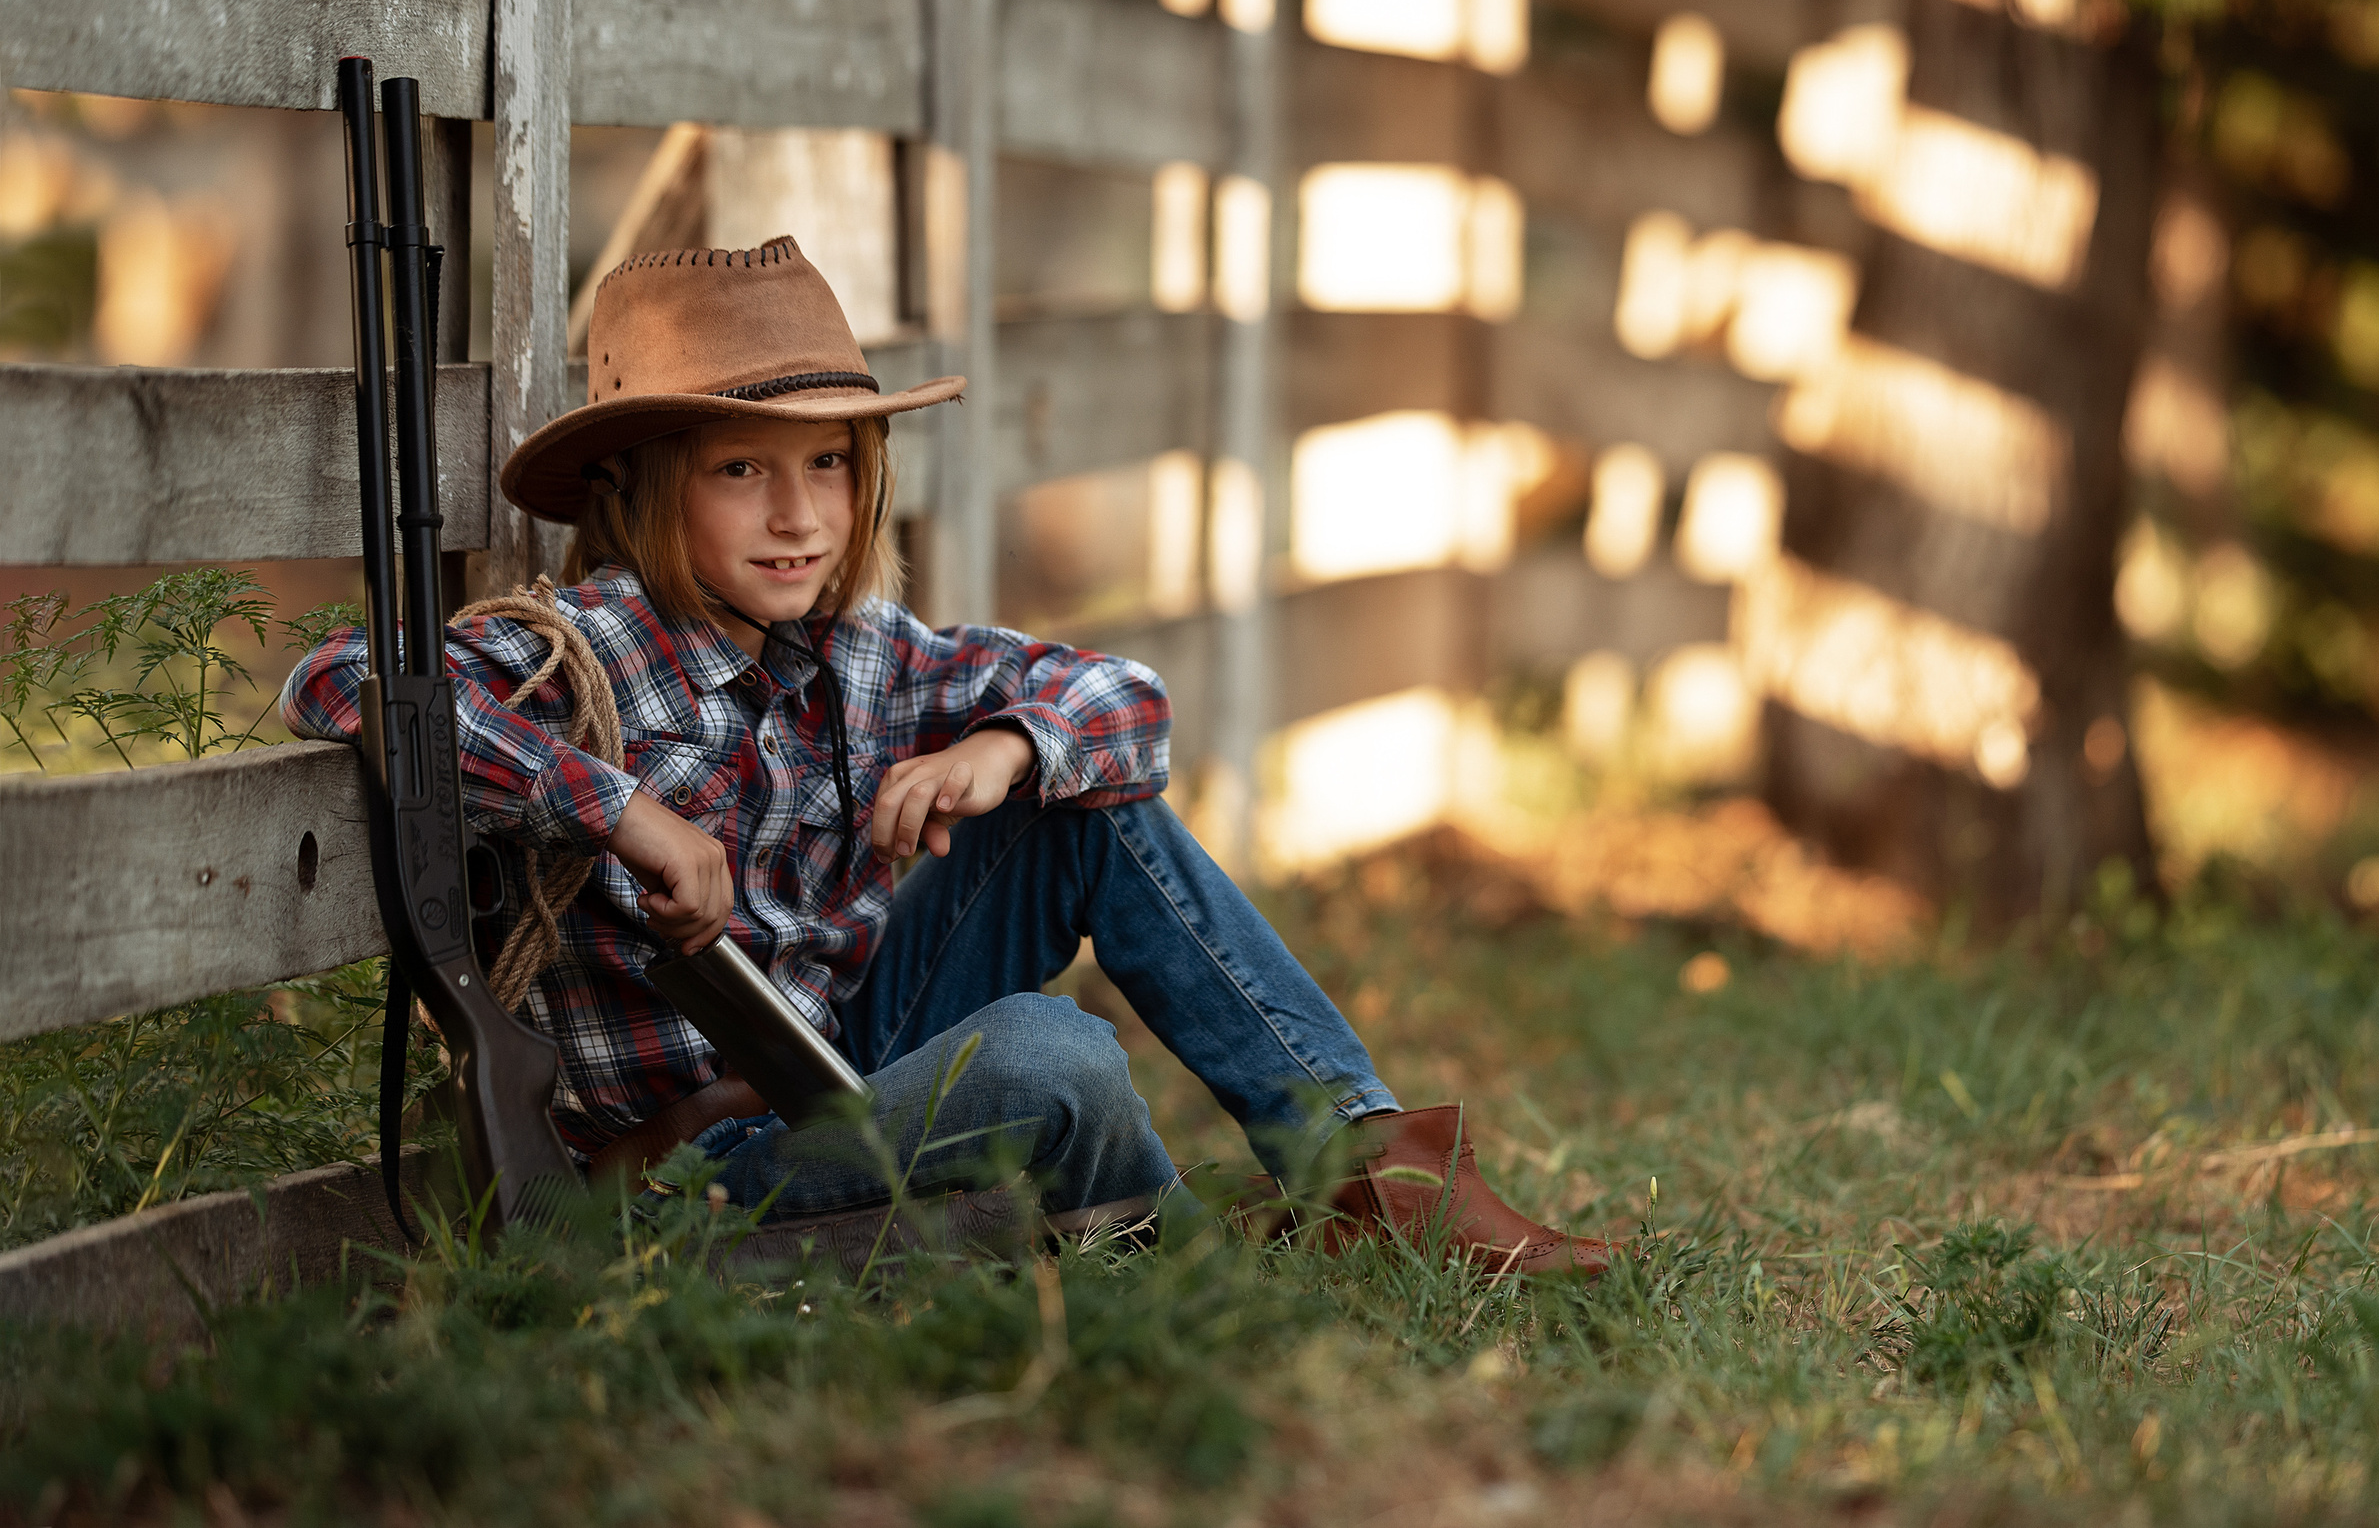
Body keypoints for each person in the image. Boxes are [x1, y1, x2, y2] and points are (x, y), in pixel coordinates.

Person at [286, 236, 1608, 1275]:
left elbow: (1126, 703)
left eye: (829, 465)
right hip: (701, 1160)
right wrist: (623, 807)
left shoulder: (865, 653)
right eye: (741, 469)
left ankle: (1367, 1174)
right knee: (1054, 1054)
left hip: (843, 1063)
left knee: (1088, 804)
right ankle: (1153, 1249)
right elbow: (347, 680)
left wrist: (1005, 750)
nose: (799, 514)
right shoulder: (591, 649)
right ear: (642, 483)